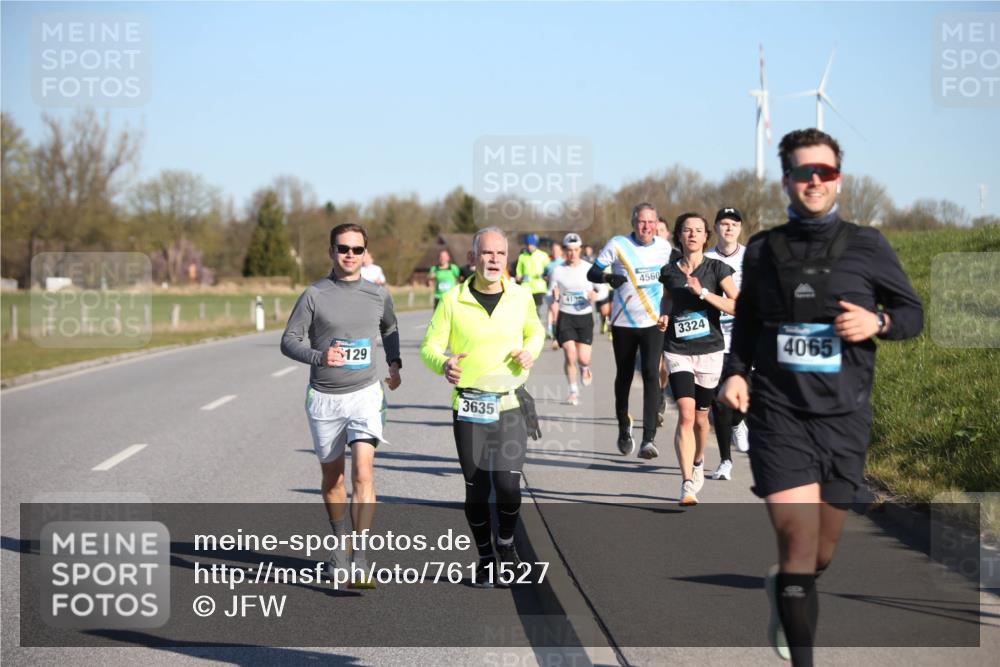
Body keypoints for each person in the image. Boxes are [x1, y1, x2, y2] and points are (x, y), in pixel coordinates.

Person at [719, 129, 923, 665]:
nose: (814, 180)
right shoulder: (763, 249)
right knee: (797, 544)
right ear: (786, 179)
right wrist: (736, 372)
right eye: (804, 172)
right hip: (778, 414)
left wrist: (876, 320)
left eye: (825, 172)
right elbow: (746, 322)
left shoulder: (868, 246)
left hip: (844, 417)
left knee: (822, 552)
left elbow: (912, 315)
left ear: (838, 179)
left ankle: (790, 588)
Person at [420, 226, 545, 587]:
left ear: (508, 258)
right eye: (487, 254)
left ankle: (505, 542)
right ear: (473, 257)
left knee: (507, 486)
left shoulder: (521, 297)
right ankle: (485, 557)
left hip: (509, 404)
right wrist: (443, 363)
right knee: (476, 487)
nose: (494, 260)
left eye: (500, 254)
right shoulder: (453, 300)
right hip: (469, 406)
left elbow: (536, 332)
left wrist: (530, 351)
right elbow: (430, 346)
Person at [280, 223, 403, 589]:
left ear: (365, 253)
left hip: (365, 394)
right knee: (332, 479)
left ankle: (361, 557)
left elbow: (390, 328)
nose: (350, 255)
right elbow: (289, 341)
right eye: (343, 248)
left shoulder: (378, 295)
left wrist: (395, 364)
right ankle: (338, 545)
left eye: (356, 249)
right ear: (331, 251)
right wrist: (320, 356)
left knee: (364, 474)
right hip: (324, 398)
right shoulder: (314, 294)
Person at [657, 213, 737, 504]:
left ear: (706, 237)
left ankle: (699, 458)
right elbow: (667, 298)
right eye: (687, 230)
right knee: (686, 415)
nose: (692, 234)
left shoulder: (718, 269)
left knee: (703, 419)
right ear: (679, 236)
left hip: (710, 350)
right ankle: (687, 484)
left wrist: (703, 292)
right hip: (677, 349)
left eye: (698, 230)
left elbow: (736, 306)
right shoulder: (668, 271)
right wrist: (664, 314)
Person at [587, 203, 672, 459]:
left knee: (649, 374)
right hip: (623, 323)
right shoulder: (618, 244)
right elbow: (593, 271)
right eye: (641, 222)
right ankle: (624, 426)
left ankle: (649, 439)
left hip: (653, 322)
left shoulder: (664, 248)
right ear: (633, 223)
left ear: (657, 224)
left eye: (651, 222)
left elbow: (672, 278)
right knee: (624, 376)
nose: (646, 227)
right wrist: (607, 279)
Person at [705, 207, 749, 481]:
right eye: (723, 224)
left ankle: (740, 421)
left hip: (745, 338)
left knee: (743, 400)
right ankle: (725, 461)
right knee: (719, 402)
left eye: (733, 224)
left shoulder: (751, 258)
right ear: (716, 228)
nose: (729, 228)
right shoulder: (706, 258)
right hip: (712, 339)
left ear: (740, 228)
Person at [548, 233, 604, 405]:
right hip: (566, 316)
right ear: (565, 251)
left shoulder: (589, 268)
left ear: (580, 250)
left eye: (576, 250)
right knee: (570, 355)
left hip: (584, 317)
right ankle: (573, 390)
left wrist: (595, 295)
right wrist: (554, 296)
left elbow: (604, 290)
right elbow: (549, 295)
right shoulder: (557, 271)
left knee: (583, 358)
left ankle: (585, 368)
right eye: (569, 250)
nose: (572, 253)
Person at [655, 216, 675, 427]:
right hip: (650, 315)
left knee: (663, 366)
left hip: (671, 314)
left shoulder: (676, 257)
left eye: (662, 230)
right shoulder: (645, 256)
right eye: (655, 230)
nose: (658, 233)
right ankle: (655, 399)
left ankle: (661, 393)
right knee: (654, 362)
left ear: (668, 234)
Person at [515, 233, 551, 327]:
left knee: (537, 310)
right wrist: (518, 277)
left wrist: (545, 276)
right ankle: (531, 328)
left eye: (532, 245)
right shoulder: (522, 257)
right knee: (528, 310)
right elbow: (518, 272)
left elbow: (549, 270)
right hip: (526, 287)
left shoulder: (543, 255)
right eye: (528, 245)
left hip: (539, 287)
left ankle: (538, 327)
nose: (530, 247)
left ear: (535, 244)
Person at [543, 243, 566, 347]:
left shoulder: (565, 263)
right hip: (552, 292)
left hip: (564, 292)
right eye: (553, 250)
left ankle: (563, 334)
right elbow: (543, 275)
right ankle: (555, 337)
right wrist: (546, 278)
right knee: (554, 313)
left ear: (561, 251)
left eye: (557, 250)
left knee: (562, 315)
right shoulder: (549, 264)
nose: (555, 252)